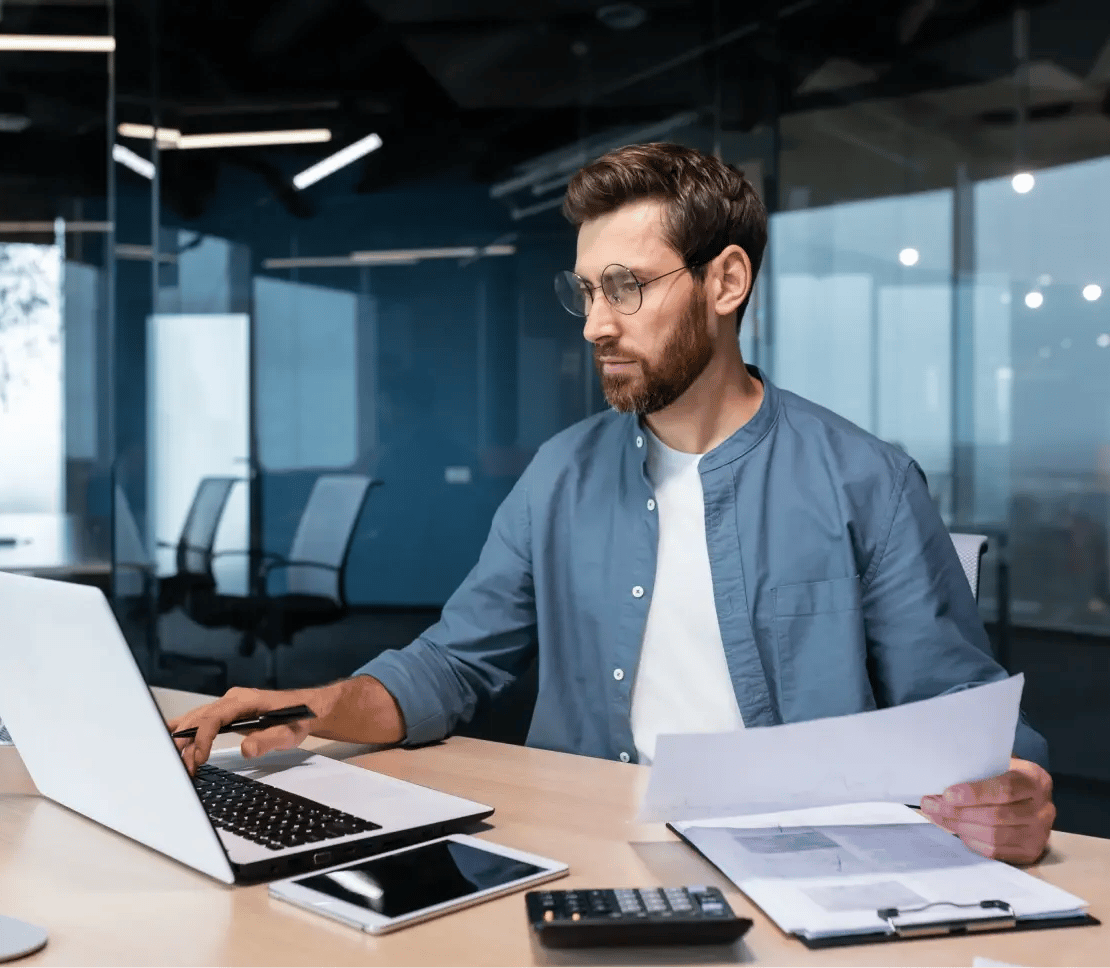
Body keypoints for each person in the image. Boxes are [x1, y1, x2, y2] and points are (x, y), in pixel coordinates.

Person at [170, 142, 1055, 865]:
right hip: (583, 846)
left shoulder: (866, 479)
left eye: (626, 288)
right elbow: (452, 666)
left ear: (726, 281)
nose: (596, 324)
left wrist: (1011, 785)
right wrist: (301, 707)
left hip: (802, 859)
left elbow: (962, 713)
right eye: (588, 291)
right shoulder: (560, 473)